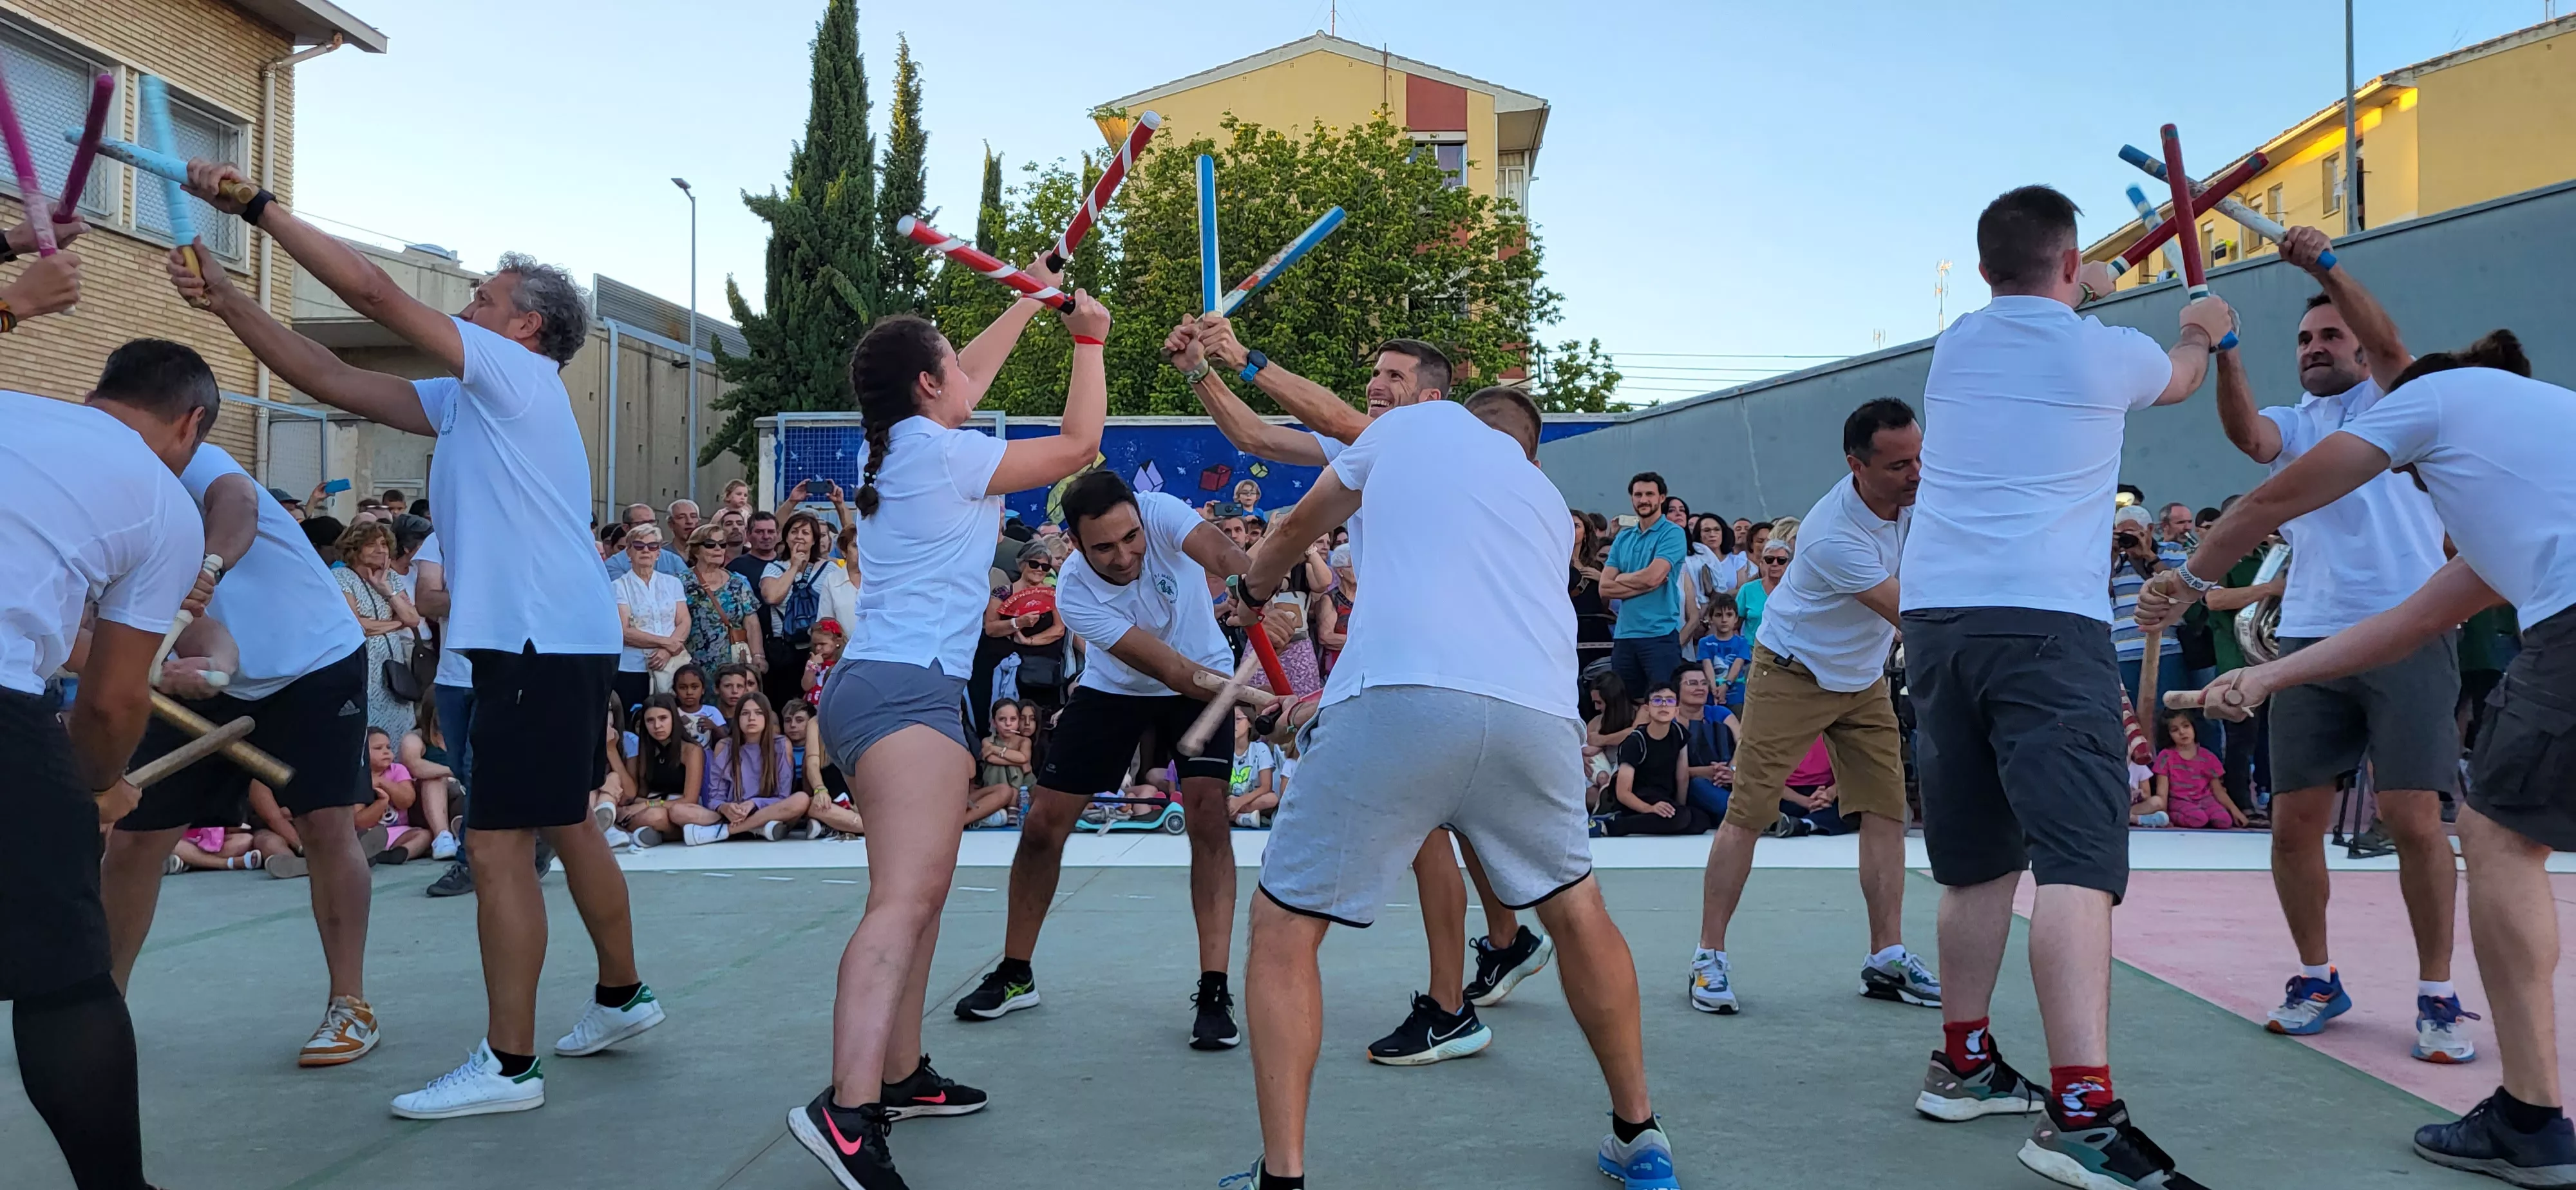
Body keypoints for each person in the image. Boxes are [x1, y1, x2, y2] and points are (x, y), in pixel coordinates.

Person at [169, 162, 660, 1120]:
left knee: (497, 847)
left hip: (532, 645)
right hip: (554, 641)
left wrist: (257, 209)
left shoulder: (515, 373)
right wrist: (229, 302)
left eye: (484, 295)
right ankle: (622, 996)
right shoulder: (475, 400)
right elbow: (332, 374)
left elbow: (372, 294)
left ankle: (510, 1068)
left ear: (526, 325)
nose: (468, 302)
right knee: (563, 817)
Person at [2143, 329, 2576, 1184]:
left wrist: (2187, 582)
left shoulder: (2430, 395)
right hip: (2343, 638)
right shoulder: (2530, 469)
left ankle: (2528, 1118)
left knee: (2493, 839)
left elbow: (2270, 501)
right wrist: (2268, 682)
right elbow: (2411, 621)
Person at [1233, 386, 1679, 1189]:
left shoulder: (1409, 428)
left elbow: (1299, 526)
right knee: (1578, 912)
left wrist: (1255, 589)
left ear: (1459, 415)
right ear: (1530, 451)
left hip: (1399, 697)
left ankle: (1284, 1179)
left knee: (1284, 928)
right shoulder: (1548, 504)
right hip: (1537, 720)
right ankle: (1639, 1134)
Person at [1895, 184, 2233, 1185]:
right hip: (2047, 626)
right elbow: (2175, 378)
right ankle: (2081, 1112)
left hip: (1940, 626)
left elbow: (2060, 291)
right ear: (2066, 257)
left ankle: (1962, 1064)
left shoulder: (1957, 348)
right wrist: (2202, 327)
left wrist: (2093, 275)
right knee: (2078, 862)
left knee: (1974, 863)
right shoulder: (2112, 355)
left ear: (1988, 262)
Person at [788, 269, 1106, 1189]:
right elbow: (1082, 442)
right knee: (904, 899)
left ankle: (898, 1073)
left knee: (916, 896)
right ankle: (846, 1110)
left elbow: (962, 375)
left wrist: (1027, 299)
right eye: (951, 369)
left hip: (886, 688)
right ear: (930, 388)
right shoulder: (942, 452)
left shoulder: (908, 446)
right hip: (905, 694)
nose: (969, 377)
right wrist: (1086, 334)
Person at [1177, 317, 1553, 1064]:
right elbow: (1254, 436)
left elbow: (1330, 423)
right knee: (1460, 830)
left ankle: (1454, 1004)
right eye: (1372, 377)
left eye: (1393, 378)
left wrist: (1241, 354)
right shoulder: (1381, 448)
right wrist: (1198, 370)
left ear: (1434, 400)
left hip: (1447, 678)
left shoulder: (1419, 444)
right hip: (1442, 677)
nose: (1375, 389)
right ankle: (1506, 945)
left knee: (1433, 833)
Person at [2205, 227, 2469, 1059]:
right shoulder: (2300, 421)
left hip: (2408, 628)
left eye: (2330, 336)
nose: (2315, 349)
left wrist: (2322, 266)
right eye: (2305, 340)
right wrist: (2227, 350)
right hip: (2310, 641)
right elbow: (2250, 438)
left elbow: (2392, 341)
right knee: (2293, 824)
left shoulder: (2404, 401)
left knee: (2412, 817)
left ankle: (2437, 993)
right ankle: (2317, 976)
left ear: (2360, 346)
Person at [97, 346, 379, 1068]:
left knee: (324, 825)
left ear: (186, 425)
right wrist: (188, 666)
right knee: (132, 836)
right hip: (196, 668)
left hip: (311, 662)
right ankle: (99, 1004)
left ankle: (349, 1004)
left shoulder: (196, 460)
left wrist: (208, 570)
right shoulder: (95, 478)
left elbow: (238, 506)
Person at [951, 469, 1258, 1050]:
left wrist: (1258, 592)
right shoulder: (1074, 591)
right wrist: (1260, 700)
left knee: (1210, 818)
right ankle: (1017, 973)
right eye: (1104, 547)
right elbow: (1167, 670)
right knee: (1042, 826)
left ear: (1141, 517)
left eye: (1131, 538)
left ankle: (1214, 988)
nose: (1124, 556)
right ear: (1074, 542)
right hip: (1123, 686)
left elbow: (1224, 555)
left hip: (1206, 666)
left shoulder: (1162, 511)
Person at [3, 317, 205, 1190]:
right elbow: (118, 698)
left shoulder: (13, 409)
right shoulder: (164, 501)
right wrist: (93, 786)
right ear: (190, 426)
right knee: (64, 980)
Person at [1691, 398, 1937, 1017]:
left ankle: (1886, 956)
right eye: (1900, 464)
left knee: (1887, 810)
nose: (1917, 473)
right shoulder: (1832, 535)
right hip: (1791, 671)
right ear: (1857, 466)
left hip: (1862, 679)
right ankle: (1708, 958)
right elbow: (1913, 617)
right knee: (1748, 812)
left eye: (1920, 456)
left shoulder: (1921, 495)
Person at [668, 692, 808, 844]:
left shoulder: (781, 744)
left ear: (767, 717)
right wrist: (725, 808)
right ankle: (755, 829)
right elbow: (715, 797)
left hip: (766, 811)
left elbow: (783, 797)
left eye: (758, 713)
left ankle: (725, 832)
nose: (751, 718)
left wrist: (754, 803)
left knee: (801, 800)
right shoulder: (725, 746)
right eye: (745, 713)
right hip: (730, 815)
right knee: (678, 811)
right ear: (737, 719)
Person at [333, 518, 424, 739]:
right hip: (363, 666)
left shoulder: (390, 578)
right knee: (369, 732)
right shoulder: (342, 577)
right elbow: (357, 626)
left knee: (400, 730)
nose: (380, 550)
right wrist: (396, 623)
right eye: (371, 544)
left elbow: (412, 619)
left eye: (383, 544)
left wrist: (386, 591)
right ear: (354, 549)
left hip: (393, 666)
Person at [761, 510, 857, 713]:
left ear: (815, 539)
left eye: (805, 532)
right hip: (784, 650)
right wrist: (794, 566)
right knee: (785, 707)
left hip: (821, 652)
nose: (799, 537)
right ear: (786, 537)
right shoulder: (774, 568)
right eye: (794, 531)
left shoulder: (831, 570)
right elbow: (772, 597)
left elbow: (852, 541)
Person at [1602, 473, 1690, 697]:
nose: (1643, 500)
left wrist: (1621, 579)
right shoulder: (1623, 538)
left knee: (1664, 703)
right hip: (1624, 637)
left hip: (1659, 635)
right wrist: (1643, 582)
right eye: (1638, 494)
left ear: (1662, 498)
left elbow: (1654, 577)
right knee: (1623, 707)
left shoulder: (1673, 533)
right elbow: (1604, 587)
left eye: (1650, 494)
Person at [1603, 682, 1714, 836]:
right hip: (1639, 798)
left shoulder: (1679, 733)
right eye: (1657, 700)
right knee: (1679, 819)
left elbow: (1682, 777)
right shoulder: (1635, 741)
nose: (1663, 705)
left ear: (1676, 710)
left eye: (1669, 701)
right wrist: (1650, 809)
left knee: (1701, 820)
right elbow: (1623, 792)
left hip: (1664, 796)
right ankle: (1613, 825)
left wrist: (1679, 807)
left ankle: (1660, 819)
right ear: (1647, 709)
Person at [611, 523, 688, 714]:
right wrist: (668, 643)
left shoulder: (673, 583)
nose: (646, 550)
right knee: (634, 721)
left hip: (671, 664)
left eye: (653, 546)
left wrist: (667, 651)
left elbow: (684, 621)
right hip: (633, 668)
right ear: (628, 552)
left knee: (672, 720)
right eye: (639, 546)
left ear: (659, 552)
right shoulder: (618, 587)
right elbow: (624, 631)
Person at [2108, 505, 2178, 706]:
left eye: (2134, 532)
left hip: (2166, 649)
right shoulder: (2114, 561)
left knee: (2167, 715)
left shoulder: (2171, 552)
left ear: (2149, 530)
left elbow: (2177, 589)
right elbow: (2101, 593)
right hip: (2123, 651)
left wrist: (2149, 555)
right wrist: (2112, 554)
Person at [620, 695, 701, 847]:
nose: (657, 726)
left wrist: (648, 805)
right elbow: (642, 792)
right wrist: (637, 804)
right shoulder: (646, 748)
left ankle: (630, 831)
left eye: (663, 718)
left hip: (677, 809)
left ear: (674, 718)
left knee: (655, 817)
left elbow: (690, 799)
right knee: (620, 812)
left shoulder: (691, 750)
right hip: (648, 805)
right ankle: (648, 834)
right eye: (650, 721)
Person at [683, 525, 764, 674]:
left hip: (735, 664)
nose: (718, 549)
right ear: (696, 550)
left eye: (722, 544)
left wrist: (758, 656)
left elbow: (751, 622)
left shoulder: (738, 582)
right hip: (694, 666)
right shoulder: (682, 582)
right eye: (710, 544)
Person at [2152, 712, 2241, 829]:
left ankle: (2206, 816)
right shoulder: (2166, 756)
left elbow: (2218, 791)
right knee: (2198, 819)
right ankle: (2182, 816)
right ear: (2168, 735)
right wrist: (2165, 816)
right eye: (2175, 730)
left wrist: (2236, 812)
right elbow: (2162, 792)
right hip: (2180, 801)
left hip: (2206, 800)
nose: (2182, 732)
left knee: (2224, 821)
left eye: (2186, 726)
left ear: (2194, 727)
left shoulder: (2208, 756)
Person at [402, 695, 462, 858]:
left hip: (461, 797)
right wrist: (454, 771)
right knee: (433, 779)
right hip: (428, 805)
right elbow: (415, 767)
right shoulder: (415, 738)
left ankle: (463, 834)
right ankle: (442, 838)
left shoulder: (466, 734)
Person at [971, 701, 1030, 828]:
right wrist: (1019, 763)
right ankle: (1011, 807)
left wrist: (995, 749)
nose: (1008, 724)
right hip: (995, 785)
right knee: (1010, 766)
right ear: (994, 723)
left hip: (1023, 786)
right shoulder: (987, 741)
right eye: (1002, 719)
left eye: (1013, 719)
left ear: (1019, 721)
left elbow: (1024, 757)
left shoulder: (1025, 741)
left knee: (1013, 767)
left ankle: (1013, 806)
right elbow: (992, 760)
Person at [1737, 541, 1789, 645]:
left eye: (1781, 560)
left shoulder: (1795, 591)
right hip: (1752, 652)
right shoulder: (1747, 590)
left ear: (1789, 564)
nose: (1775, 564)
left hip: (1785, 654)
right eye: (1769, 559)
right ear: (1762, 563)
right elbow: (1733, 626)